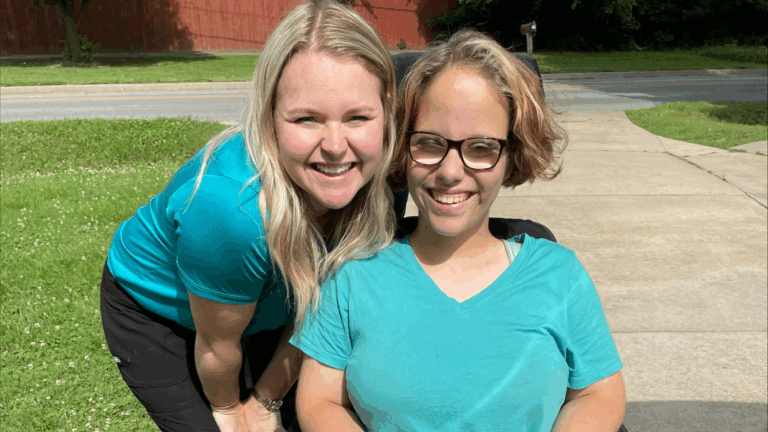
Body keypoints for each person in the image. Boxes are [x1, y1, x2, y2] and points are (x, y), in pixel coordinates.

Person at [290, 29, 627, 432]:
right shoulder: (352, 273)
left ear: (513, 153)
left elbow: (599, 393)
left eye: (481, 147)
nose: (450, 173)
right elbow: (318, 400)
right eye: (430, 143)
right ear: (402, 145)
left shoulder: (560, 275)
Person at [98, 2, 400, 431]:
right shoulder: (234, 211)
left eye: (357, 117)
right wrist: (232, 412)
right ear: (270, 115)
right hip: (162, 312)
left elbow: (319, 310)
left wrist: (266, 400)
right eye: (307, 118)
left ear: (386, 107)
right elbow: (218, 347)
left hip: (267, 298)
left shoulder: (388, 170)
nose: (336, 146)